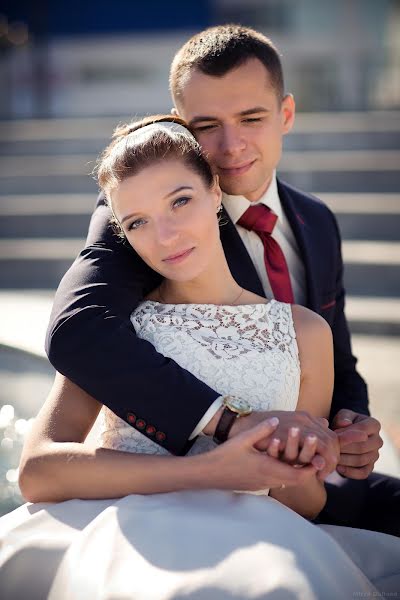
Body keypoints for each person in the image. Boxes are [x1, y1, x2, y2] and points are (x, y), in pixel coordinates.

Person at [1, 116, 399, 599]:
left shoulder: (304, 332)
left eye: (180, 201)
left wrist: (303, 459)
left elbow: (306, 504)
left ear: (215, 192)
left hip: (262, 540)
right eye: (137, 222)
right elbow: (37, 471)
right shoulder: (117, 331)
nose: (164, 235)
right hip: (116, 535)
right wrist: (207, 471)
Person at [45, 24, 400, 535]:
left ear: (286, 115)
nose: (231, 146)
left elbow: (338, 358)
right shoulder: (143, 219)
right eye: (206, 125)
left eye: (251, 118)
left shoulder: (317, 221)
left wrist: (352, 426)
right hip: (180, 493)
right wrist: (227, 423)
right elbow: (77, 330)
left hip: (309, 485)